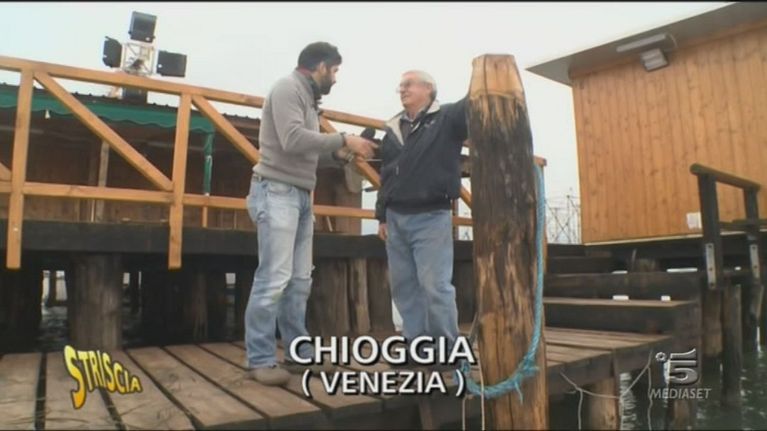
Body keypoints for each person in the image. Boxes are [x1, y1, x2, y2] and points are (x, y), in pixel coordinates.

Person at [245, 42, 376, 386]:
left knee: (300, 280)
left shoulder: (307, 98)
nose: (335, 77)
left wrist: (340, 155)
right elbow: (292, 140)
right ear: (320, 67)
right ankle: (260, 360)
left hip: (301, 196)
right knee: (273, 278)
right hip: (276, 192)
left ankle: (298, 355)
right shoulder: (287, 88)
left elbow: (307, 151)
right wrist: (344, 139)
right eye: (334, 70)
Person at [375, 70, 468, 369]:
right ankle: (417, 347)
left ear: (429, 88)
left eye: (408, 85)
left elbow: (475, 103)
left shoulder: (448, 117)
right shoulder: (393, 128)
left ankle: (448, 350)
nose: (401, 89)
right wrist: (381, 215)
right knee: (404, 287)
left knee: (435, 286)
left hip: (431, 216)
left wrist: (483, 72)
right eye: (400, 85)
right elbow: (386, 174)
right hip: (395, 218)